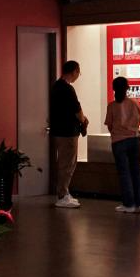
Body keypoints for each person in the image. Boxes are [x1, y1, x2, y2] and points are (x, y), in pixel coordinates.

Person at [105, 77, 140, 214]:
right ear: (127, 88)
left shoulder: (112, 106)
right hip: (134, 140)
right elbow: (139, 121)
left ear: (113, 89)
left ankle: (129, 204)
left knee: (124, 173)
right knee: (136, 171)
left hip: (118, 141)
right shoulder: (134, 103)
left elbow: (109, 125)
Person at [50, 60, 88, 208]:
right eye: (79, 72)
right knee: (68, 164)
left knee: (64, 163)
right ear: (74, 71)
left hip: (59, 131)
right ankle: (63, 195)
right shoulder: (67, 89)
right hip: (68, 132)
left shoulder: (56, 86)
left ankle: (64, 193)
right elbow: (77, 110)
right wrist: (84, 120)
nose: (78, 75)